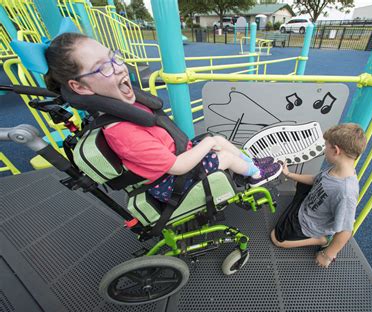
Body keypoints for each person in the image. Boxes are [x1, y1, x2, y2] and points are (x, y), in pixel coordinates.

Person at [43, 33, 282, 202]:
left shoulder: (124, 105)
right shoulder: (122, 132)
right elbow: (177, 167)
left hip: (177, 159)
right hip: (169, 182)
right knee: (222, 153)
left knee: (217, 139)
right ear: (80, 87)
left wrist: (209, 142)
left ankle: (251, 166)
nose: (118, 67)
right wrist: (208, 145)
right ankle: (254, 175)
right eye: (102, 67)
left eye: (113, 57)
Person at [270, 123, 367, 268]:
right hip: (307, 207)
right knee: (301, 184)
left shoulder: (346, 192)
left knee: (277, 239)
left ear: (335, 150)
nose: (324, 150)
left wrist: (327, 255)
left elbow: (345, 231)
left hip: (311, 225)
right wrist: (289, 174)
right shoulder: (336, 169)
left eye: (325, 146)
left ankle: (320, 240)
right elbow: (315, 180)